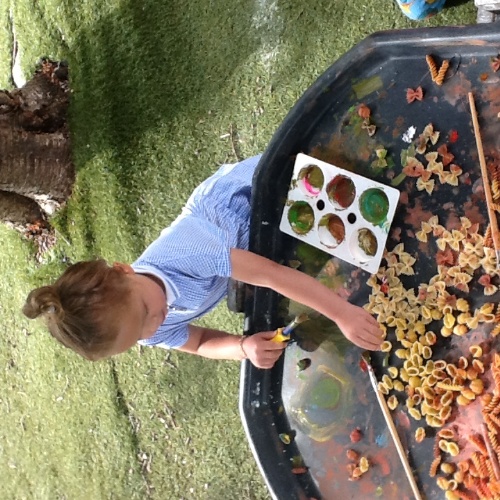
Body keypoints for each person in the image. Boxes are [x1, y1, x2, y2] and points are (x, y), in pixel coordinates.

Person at [22, 155, 383, 369]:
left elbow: (272, 276)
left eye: (146, 311)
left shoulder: (189, 253)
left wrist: (342, 313)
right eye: (140, 335)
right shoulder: (142, 326)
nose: (155, 324)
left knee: (355, 205)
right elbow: (198, 342)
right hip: (251, 246)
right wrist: (242, 347)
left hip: (254, 195)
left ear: (124, 270)